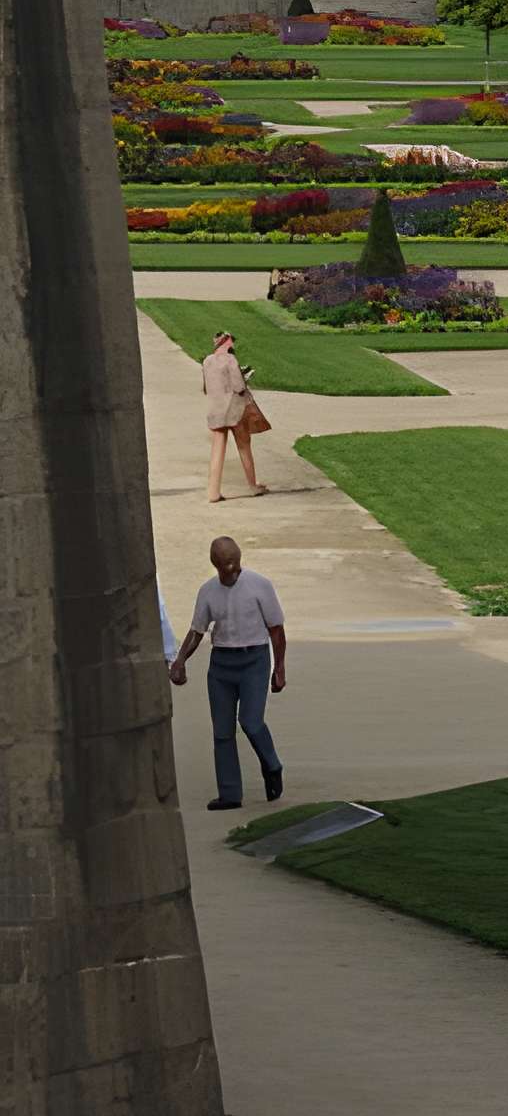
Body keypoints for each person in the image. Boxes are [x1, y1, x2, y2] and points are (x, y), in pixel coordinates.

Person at [169, 535, 286, 812]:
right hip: (222, 664)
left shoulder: (259, 585)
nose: (232, 569)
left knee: (251, 721)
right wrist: (180, 660)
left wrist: (279, 668)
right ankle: (230, 793)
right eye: (225, 565)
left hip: (254, 659)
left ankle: (272, 765)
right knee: (222, 731)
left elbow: (276, 630)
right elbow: (197, 630)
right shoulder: (208, 591)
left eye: (234, 563)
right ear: (215, 564)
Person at [203, 330, 267, 503]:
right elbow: (239, 387)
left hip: (215, 411)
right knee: (244, 447)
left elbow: (206, 388)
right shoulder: (231, 360)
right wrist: (245, 377)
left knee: (217, 450)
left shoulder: (207, 361)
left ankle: (213, 492)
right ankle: (253, 486)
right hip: (234, 410)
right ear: (227, 341)